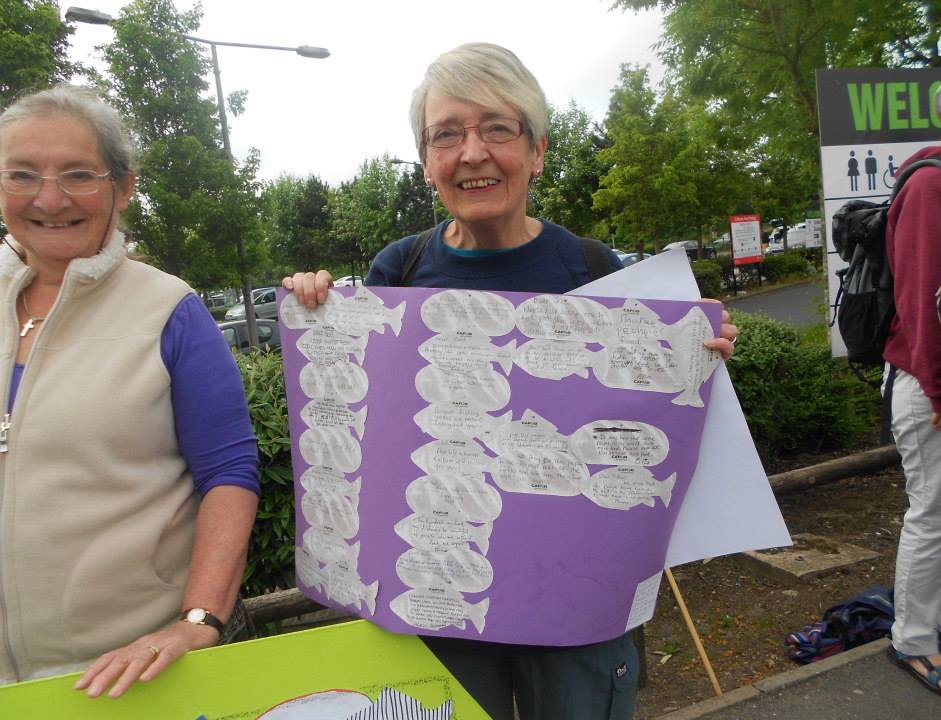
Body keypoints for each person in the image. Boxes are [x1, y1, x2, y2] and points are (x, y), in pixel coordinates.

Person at [285, 43, 737, 720]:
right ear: (427, 160)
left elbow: (638, 421)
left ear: (537, 151)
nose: (472, 153)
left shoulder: (592, 267)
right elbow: (363, 429)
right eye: (447, 134)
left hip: (575, 611)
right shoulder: (397, 272)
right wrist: (316, 315)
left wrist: (701, 357)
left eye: (498, 128)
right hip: (437, 605)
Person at [0, 85, 260, 699]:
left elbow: (228, 472)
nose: (49, 198)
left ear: (123, 186)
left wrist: (197, 622)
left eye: (78, 174)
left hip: (133, 676)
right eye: (22, 174)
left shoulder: (169, 310)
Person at [883, 70, 941, 700]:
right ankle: (913, 639)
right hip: (930, 383)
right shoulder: (934, 183)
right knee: (935, 513)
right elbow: (921, 296)